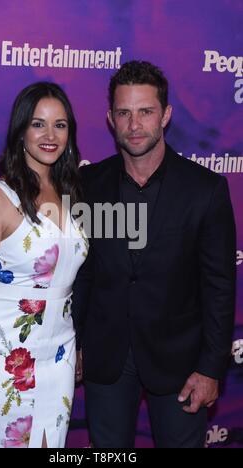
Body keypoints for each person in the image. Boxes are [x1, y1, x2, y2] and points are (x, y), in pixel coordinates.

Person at [72, 61, 236, 448]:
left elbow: (219, 287)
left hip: (180, 361)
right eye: (124, 113)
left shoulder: (205, 190)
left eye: (145, 112)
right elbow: (82, 273)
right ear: (111, 119)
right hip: (106, 357)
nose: (134, 124)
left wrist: (211, 368)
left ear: (165, 115)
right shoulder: (87, 185)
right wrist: (75, 341)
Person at [0, 82, 88, 448]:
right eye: (38, 124)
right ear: (21, 131)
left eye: (60, 124)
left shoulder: (75, 196)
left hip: (60, 356)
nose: (50, 135)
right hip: (3, 356)